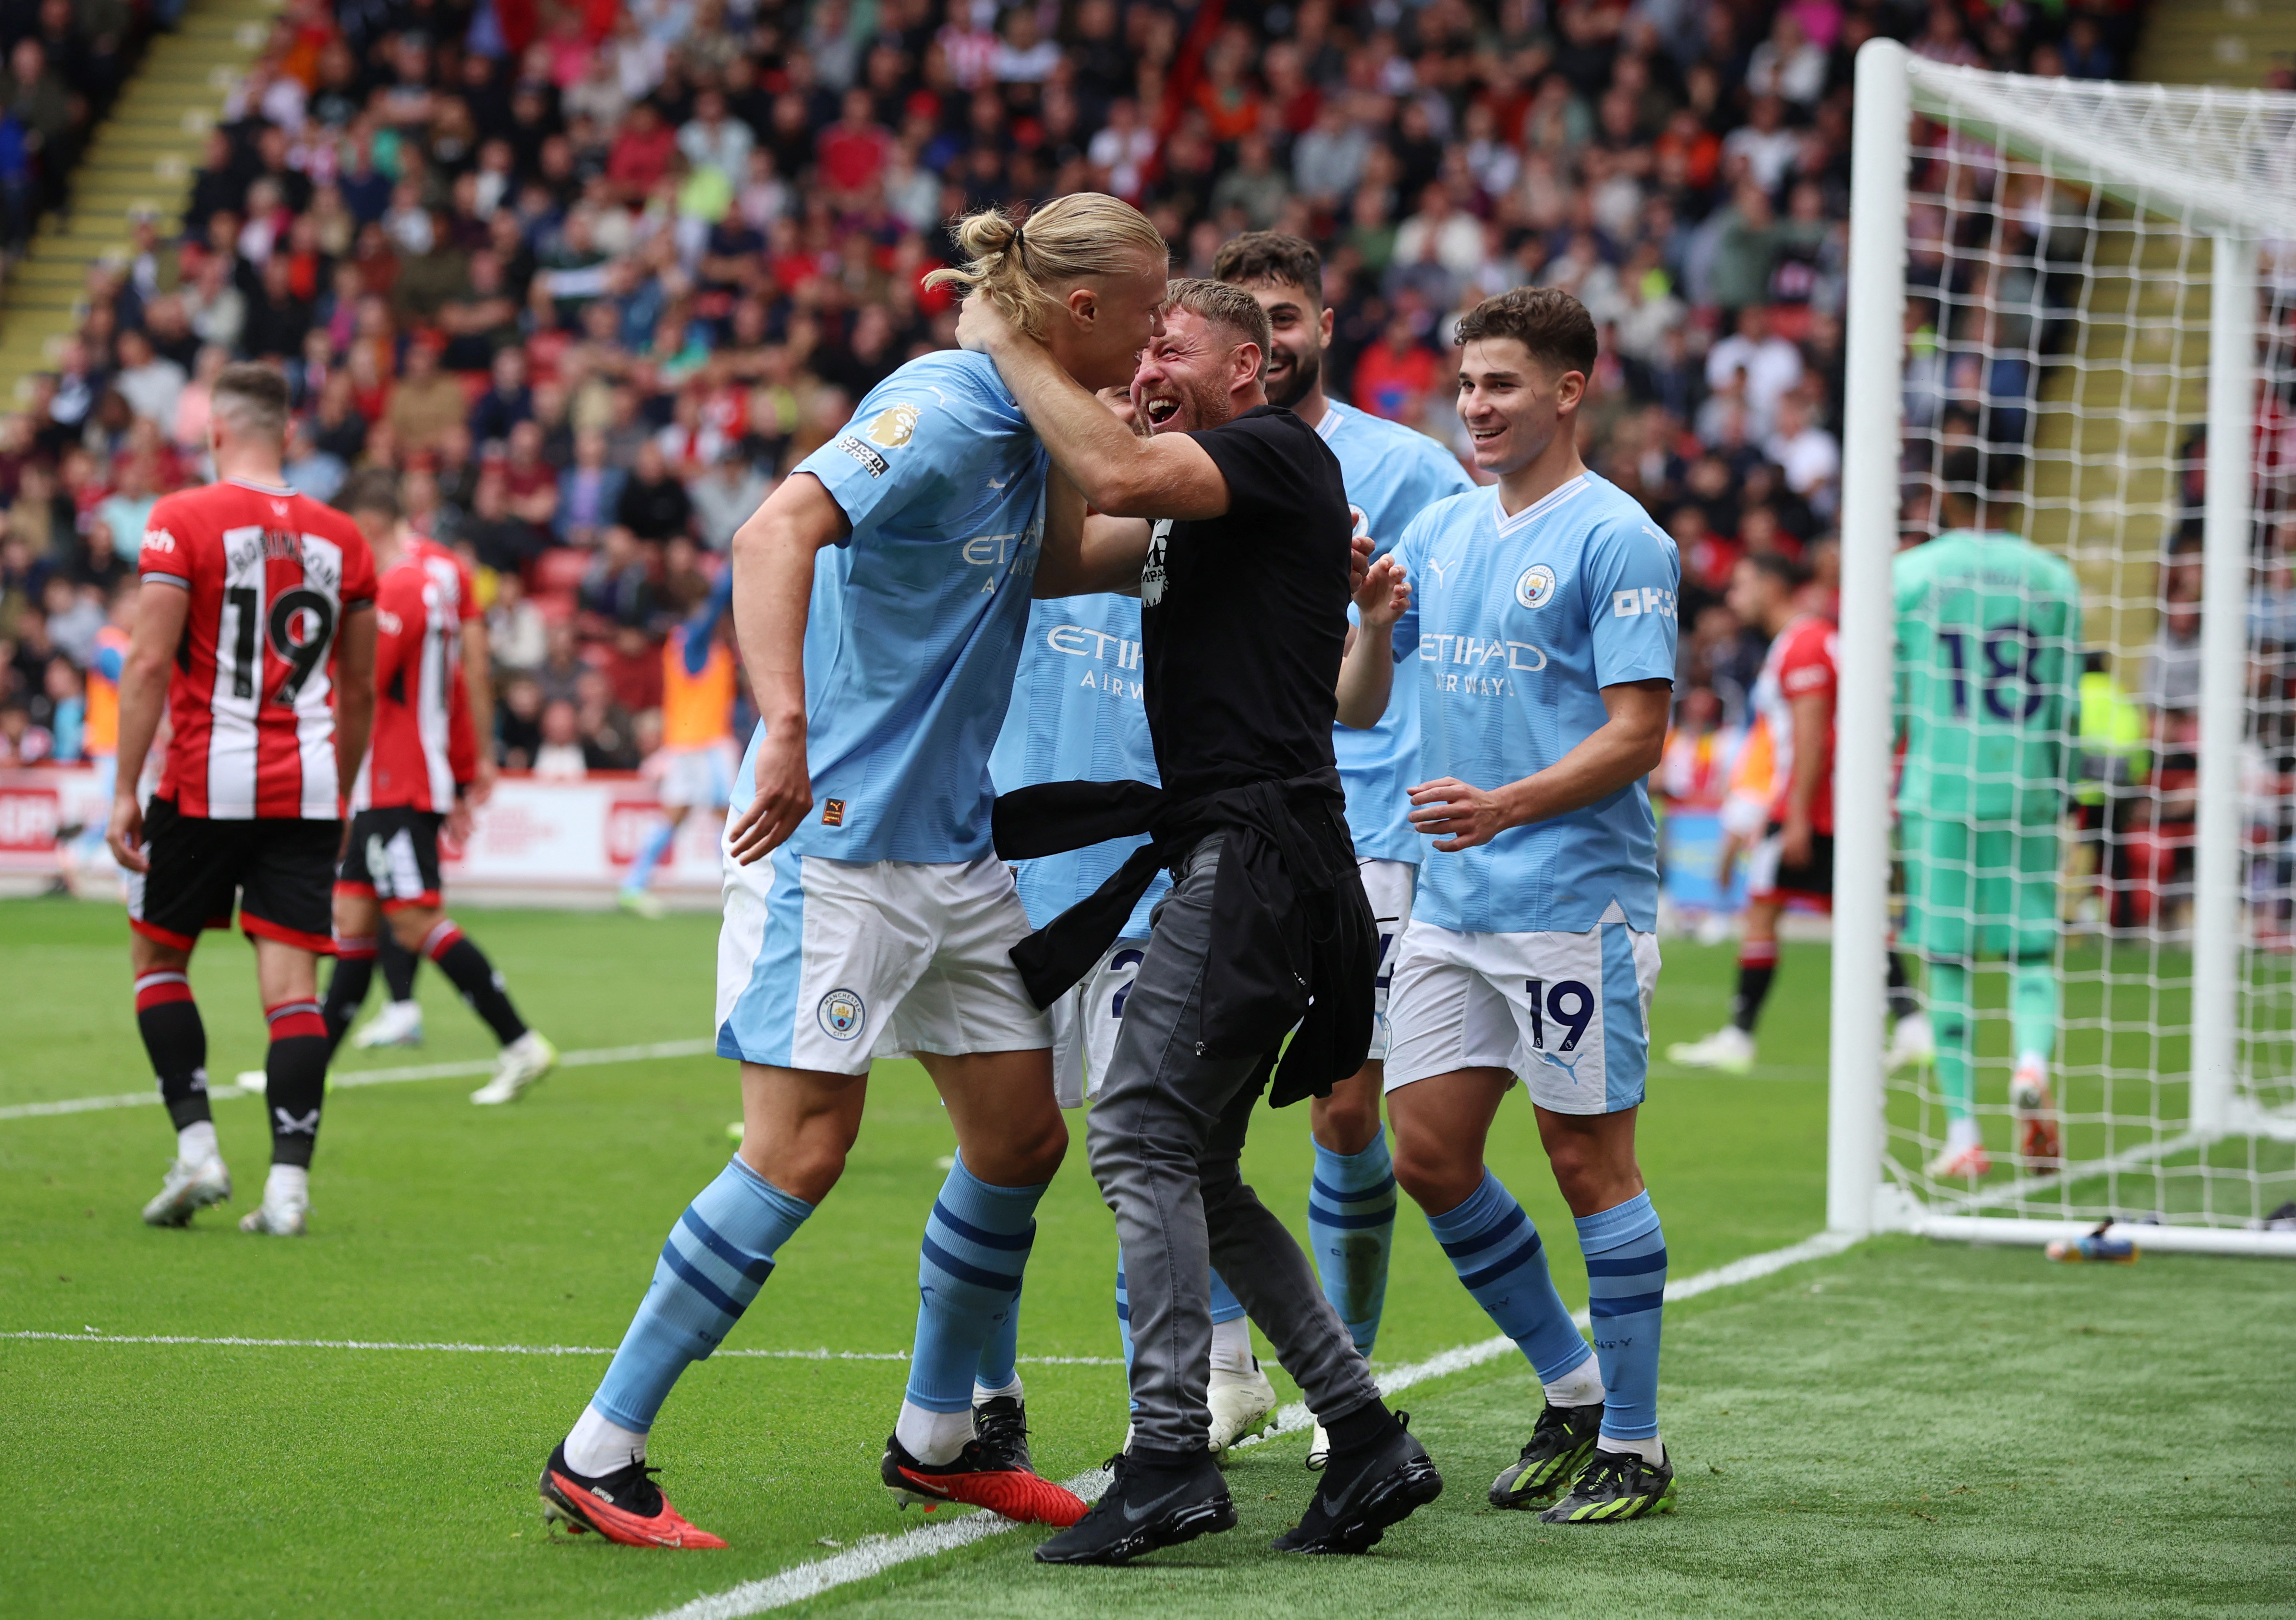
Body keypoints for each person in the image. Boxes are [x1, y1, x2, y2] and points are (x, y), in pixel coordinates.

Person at [536, 194, 1172, 1550]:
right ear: (1078, 310)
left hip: (949, 846)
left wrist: (1227, 541)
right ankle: (602, 1448)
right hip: (836, 846)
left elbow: (1064, 556)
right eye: (1147, 305)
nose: (1159, 328)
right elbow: (773, 531)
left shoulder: (1030, 421)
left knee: (1018, 1136)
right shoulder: (948, 402)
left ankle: (939, 1433)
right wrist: (781, 721)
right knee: (800, 1149)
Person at [963, 278, 1441, 1566]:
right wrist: (1083, 417)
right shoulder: (1205, 489)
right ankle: (1364, 1435)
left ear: (1246, 369)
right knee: (1204, 1169)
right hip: (1254, 855)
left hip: (1252, 855)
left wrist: (1011, 340)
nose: (1144, 363)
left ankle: (1168, 1452)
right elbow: (1066, 549)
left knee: (1131, 1130)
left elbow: (1113, 469)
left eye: (1167, 347)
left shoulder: (1276, 448)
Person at [1334, 287, 1682, 1524]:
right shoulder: (1440, 529)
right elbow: (1364, 705)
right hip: (1453, 900)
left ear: (1569, 392)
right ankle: (1575, 1387)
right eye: (1467, 386)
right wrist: (1375, 626)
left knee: (1588, 1161)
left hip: (1569, 904)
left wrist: (1508, 805)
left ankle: (1636, 1446)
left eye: (1502, 386)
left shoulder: (1619, 539)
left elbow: (1639, 736)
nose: (1476, 408)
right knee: (1427, 1156)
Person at [1214, 230, 1478, 1465]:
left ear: (1323, 319)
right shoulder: (1192, 458)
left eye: (1286, 313)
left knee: (1341, 1113)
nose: (1270, 338)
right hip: (1222, 814)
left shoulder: (1409, 469)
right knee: (1188, 1108)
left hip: (1368, 820)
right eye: (1247, 319)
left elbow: (1445, 640)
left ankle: (1344, 1374)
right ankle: (1222, 1368)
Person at [108, 363, 378, 1238]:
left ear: (217, 433)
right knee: (294, 990)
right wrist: (338, 785)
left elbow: (148, 662)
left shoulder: (181, 518)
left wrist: (124, 785)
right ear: (288, 434)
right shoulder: (345, 537)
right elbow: (362, 688)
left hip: (200, 776)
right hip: (305, 784)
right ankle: (289, 1190)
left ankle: (197, 1150)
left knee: (158, 960)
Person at [317, 471, 557, 1105]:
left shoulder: (398, 589)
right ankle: (306, 1066)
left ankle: (519, 1041)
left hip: (393, 781)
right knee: (351, 918)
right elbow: (454, 683)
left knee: (418, 921)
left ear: (368, 525)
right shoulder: (430, 588)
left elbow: (360, 690)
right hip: (398, 778)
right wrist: (460, 765)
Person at [1894, 449, 2082, 1178]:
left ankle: (1965, 1132)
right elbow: (2065, 701)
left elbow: (1891, 694)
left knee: (1948, 958)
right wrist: (2059, 787)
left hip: (1940, 786)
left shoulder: (1911, 576)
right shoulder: (2053, 578)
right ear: (2014, 490)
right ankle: (2031, 1064)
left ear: (1946, 493)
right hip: (2026, 784)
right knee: (2032, 950)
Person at [618, 567, 739, 919]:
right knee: (726, 819)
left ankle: (632, 885)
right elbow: (716, 603)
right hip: (703, 746)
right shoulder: (694, 642)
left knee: (675, 816)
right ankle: (736, 892)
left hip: (686, 744)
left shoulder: (688, 644)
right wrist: (732, 567)